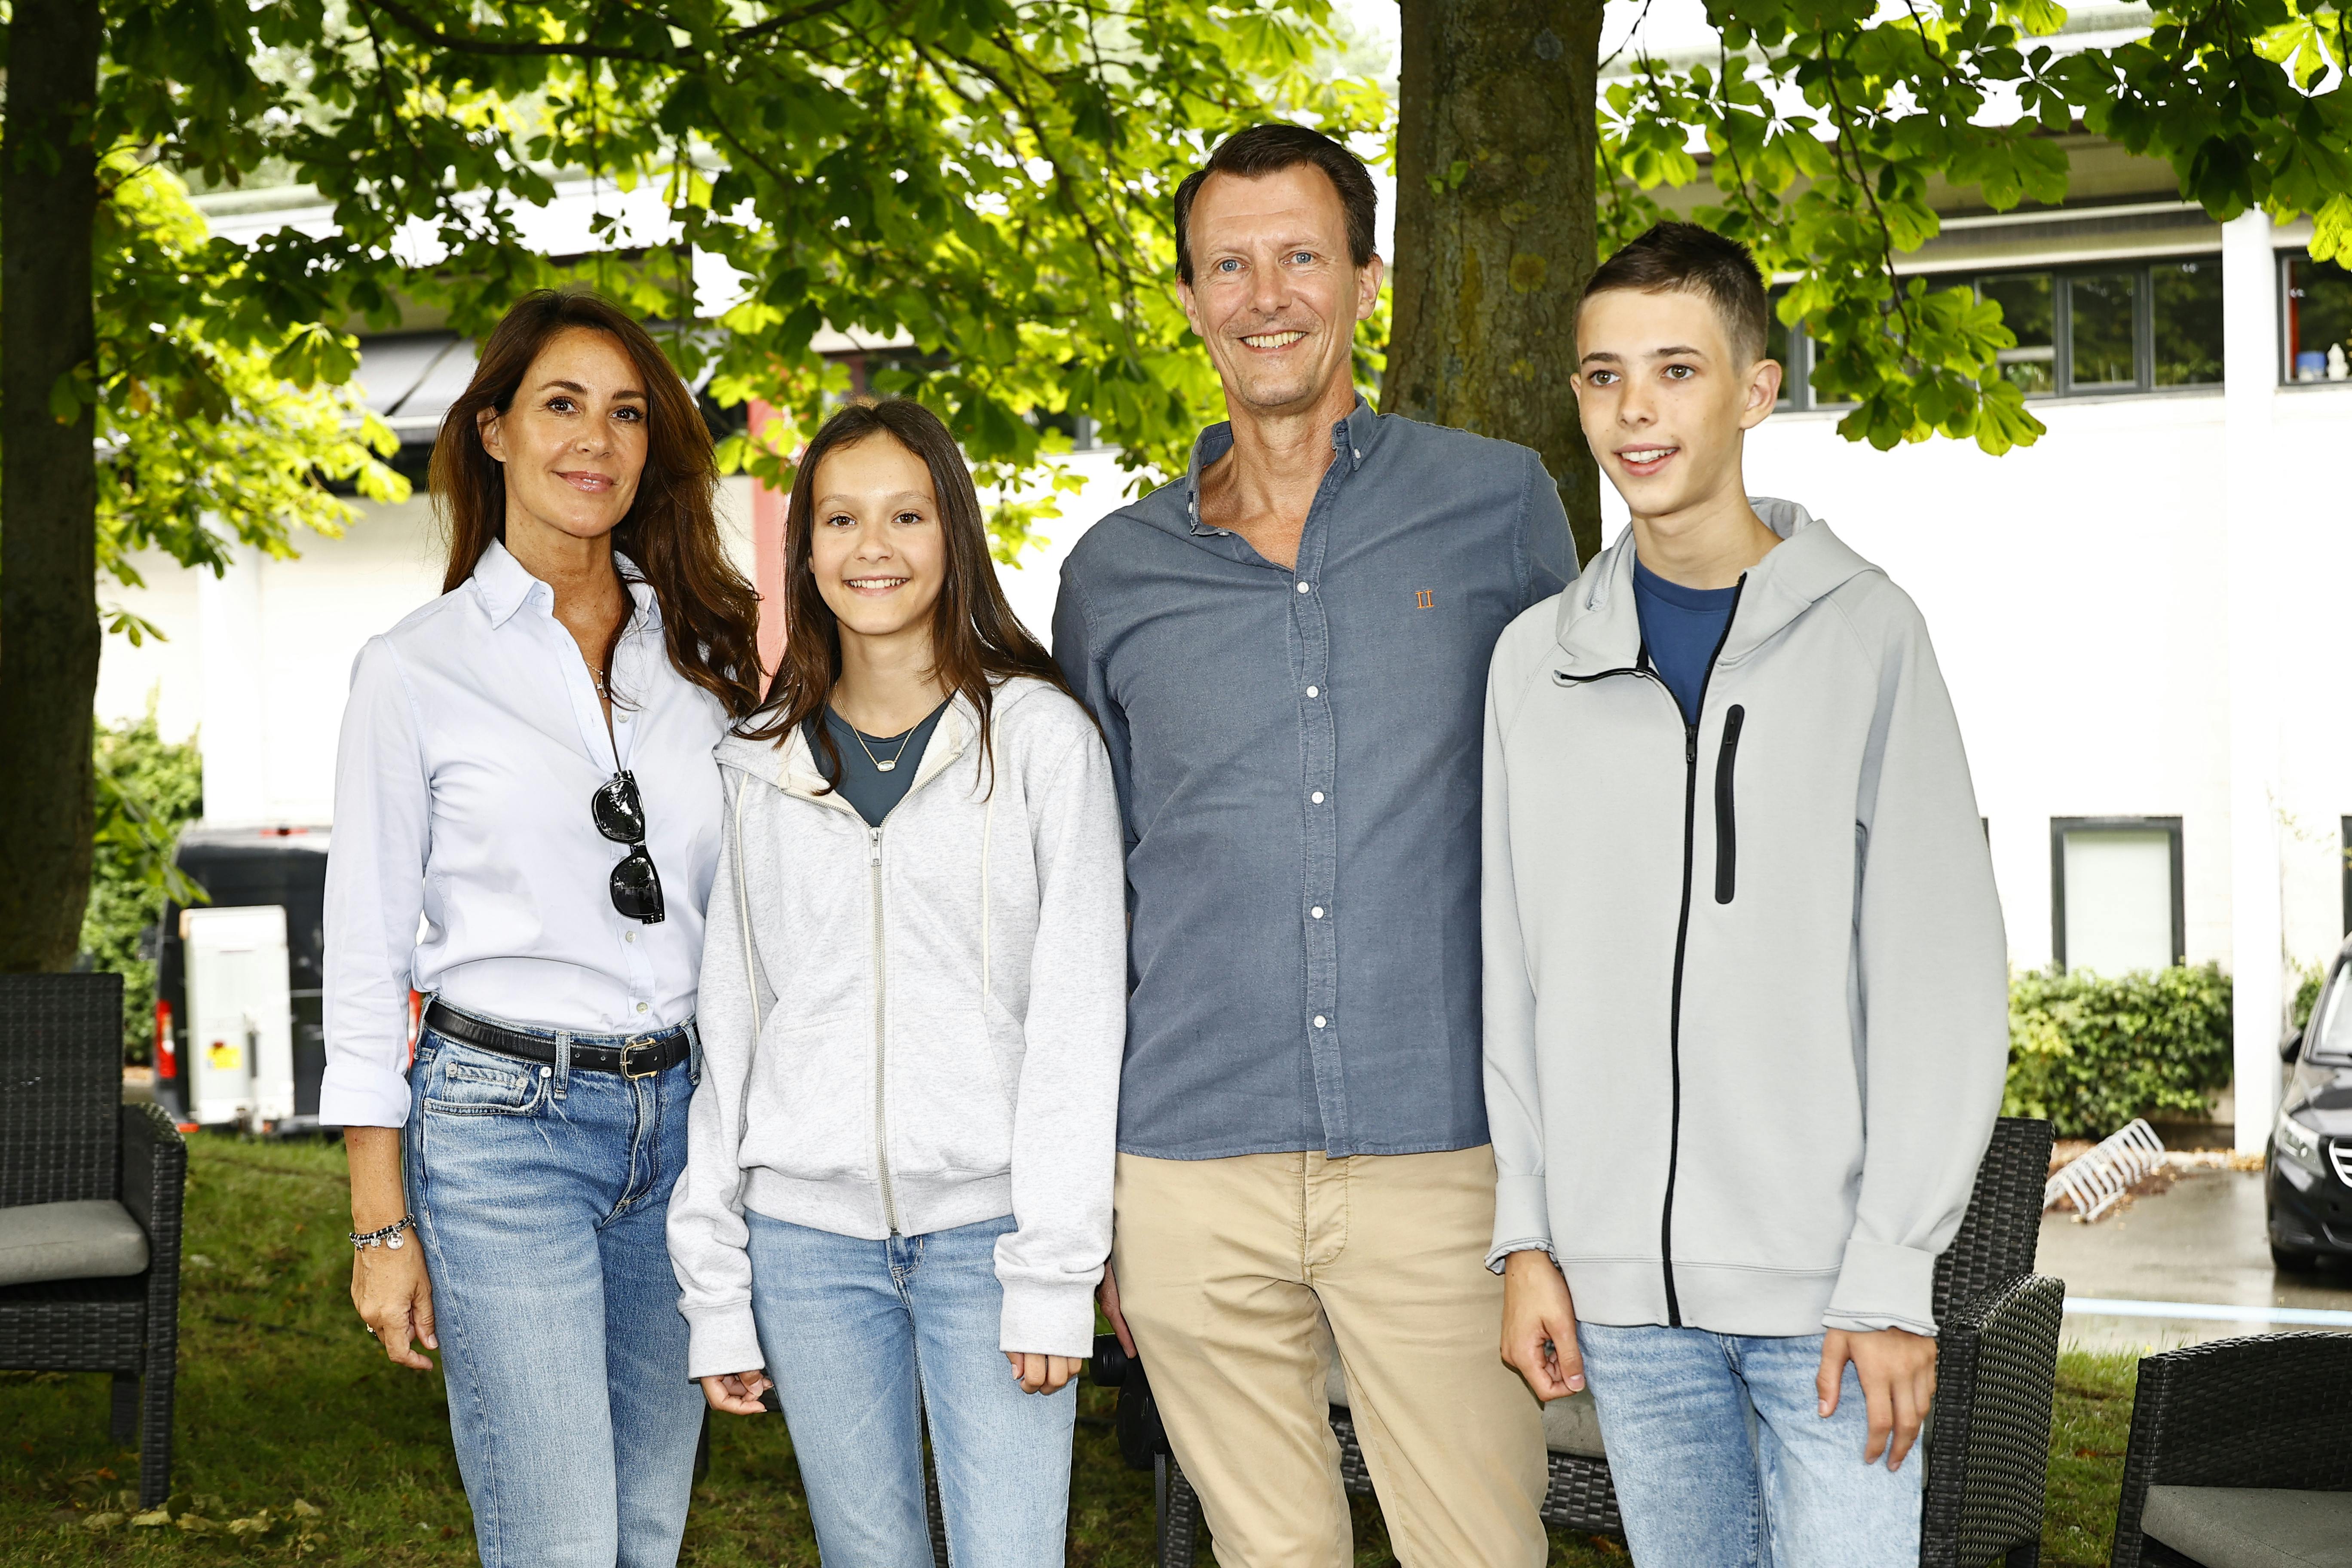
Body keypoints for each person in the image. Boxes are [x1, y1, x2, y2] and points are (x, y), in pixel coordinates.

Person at [1053, 123, 1574, 1565]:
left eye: (1300, 256)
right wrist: (1087, 1197)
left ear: (1364, 280)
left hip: (1440, 1155)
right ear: (1189, 299)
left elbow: (1582, 814)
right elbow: (1089, 893)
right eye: (1230, 264)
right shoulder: (1112, 576)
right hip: (1187, 1167)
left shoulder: (1499, 505)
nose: (1266, 294)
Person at [1482, 220, 2010, 1567]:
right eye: (1603, 377)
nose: (1635, 412)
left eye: (1676, 370)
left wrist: (1896, 1269)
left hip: (1832, 1300)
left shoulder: (1868, 635)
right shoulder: (1533, 665)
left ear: (1756, 390)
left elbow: (1940, 981)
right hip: (1626, 1305)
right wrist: (1532, 1240)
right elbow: (1513, 973)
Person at [322, 288, 764, 1568]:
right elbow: (361, 956)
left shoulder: (703, 660)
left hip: (682, 1128)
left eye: (627, 413)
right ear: (495, 431)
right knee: (561, 1539)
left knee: (644, 1527)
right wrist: (379, 1223)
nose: (598, 439)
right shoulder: (414, 669)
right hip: (502, 1126)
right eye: (561, 404)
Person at [667, 398, 1126, 1568]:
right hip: (806, 1246)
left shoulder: (1040, 743)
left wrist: (1055, 1272)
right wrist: (718, 1287)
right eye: (841, 519)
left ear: (952, 535)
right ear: (807, 552)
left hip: (994, 1234)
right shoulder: (758, 767)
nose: (873, 548)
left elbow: (1079, 1021)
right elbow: (734, 1030)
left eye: (906, 515)